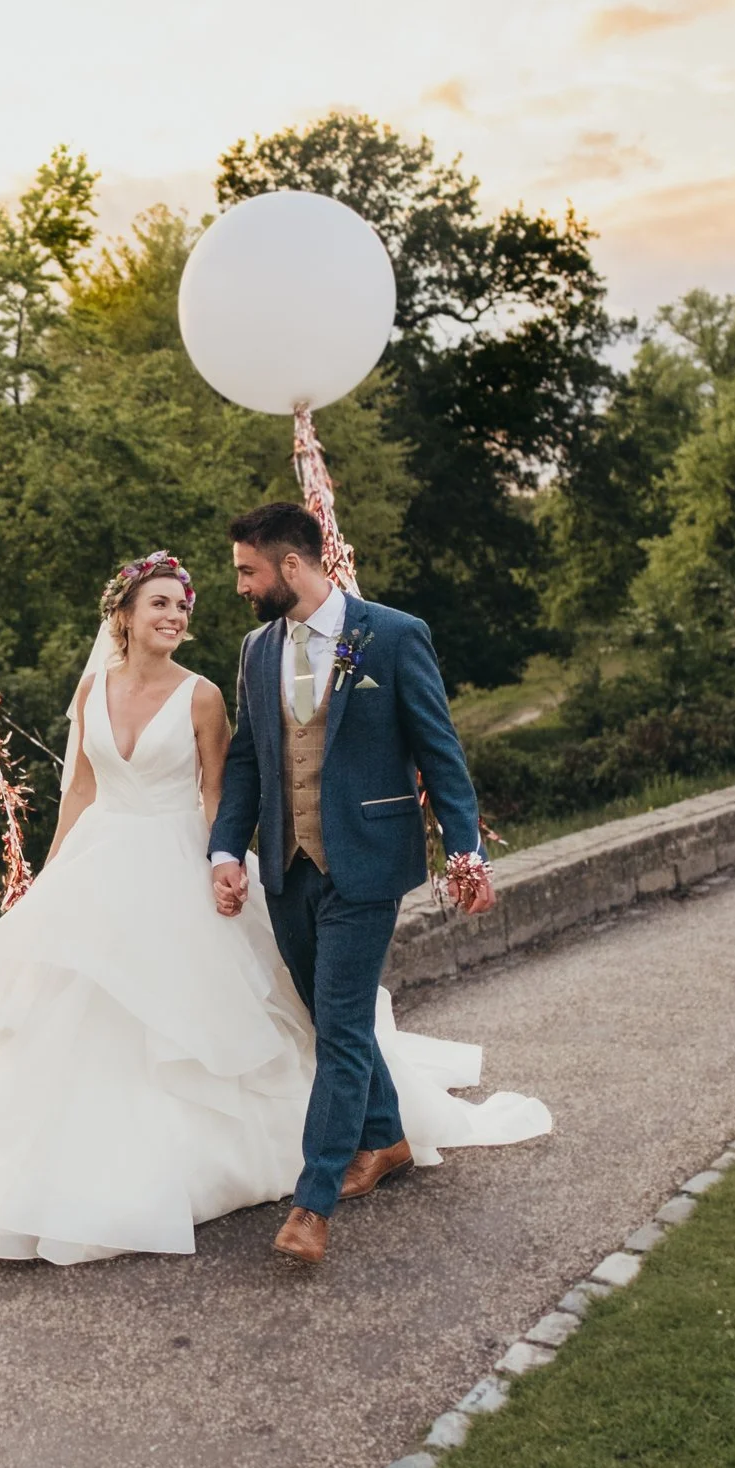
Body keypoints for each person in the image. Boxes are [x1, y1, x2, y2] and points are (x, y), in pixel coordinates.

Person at [0, 538, 545, 1265]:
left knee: (301, 1020)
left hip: (193, 866)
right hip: (98, 870)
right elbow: (81, 791)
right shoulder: (100, 689)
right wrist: (43, 881)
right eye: (161, 604)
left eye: (184, 605)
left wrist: (224, 862)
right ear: (122, 612)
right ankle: (376, 1130)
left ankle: (317, 1195)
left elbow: (225, 786)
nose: (177, 615)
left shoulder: (206, 691)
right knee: (95, 1018)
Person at [207, 502, 513, 1264]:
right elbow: (248, 760)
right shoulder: (254, 650)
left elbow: (440, 753)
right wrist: (223, 851)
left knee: (340, 1028)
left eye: (248, 569)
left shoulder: (394, 635)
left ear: (290, 567)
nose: (241, 585)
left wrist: (466, 850)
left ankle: (312, 1206)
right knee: (331, 1019)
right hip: (285, 864)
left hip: (369, 862)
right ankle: (388, 1136)